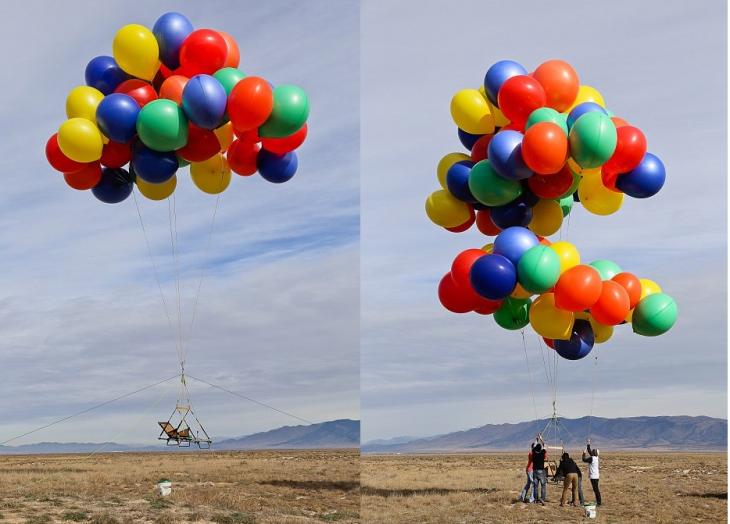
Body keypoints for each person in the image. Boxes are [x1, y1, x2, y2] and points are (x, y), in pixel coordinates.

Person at [582, 439, 602, 506]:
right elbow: (589, 450)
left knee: (596, 490)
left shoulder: (592, 458)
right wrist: (588, 443)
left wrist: (584, 453)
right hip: (596, 476)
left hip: (593, 477)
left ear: (595, 453)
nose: (592, 451)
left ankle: (599, 503)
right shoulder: (595, 458)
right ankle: (598, 502)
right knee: (596, 489)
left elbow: (584, 460)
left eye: (594, 451)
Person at [531, 433, 547, 505]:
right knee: (543, 485)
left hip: (534, 471)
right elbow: (545, 446)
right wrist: (541, 439)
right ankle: (542, 499)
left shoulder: (534, 453)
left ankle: (535, 500)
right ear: (540, 449)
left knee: (535, 486)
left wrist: (537, 439)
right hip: (541, 471)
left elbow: (533, 446)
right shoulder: (542, 453)